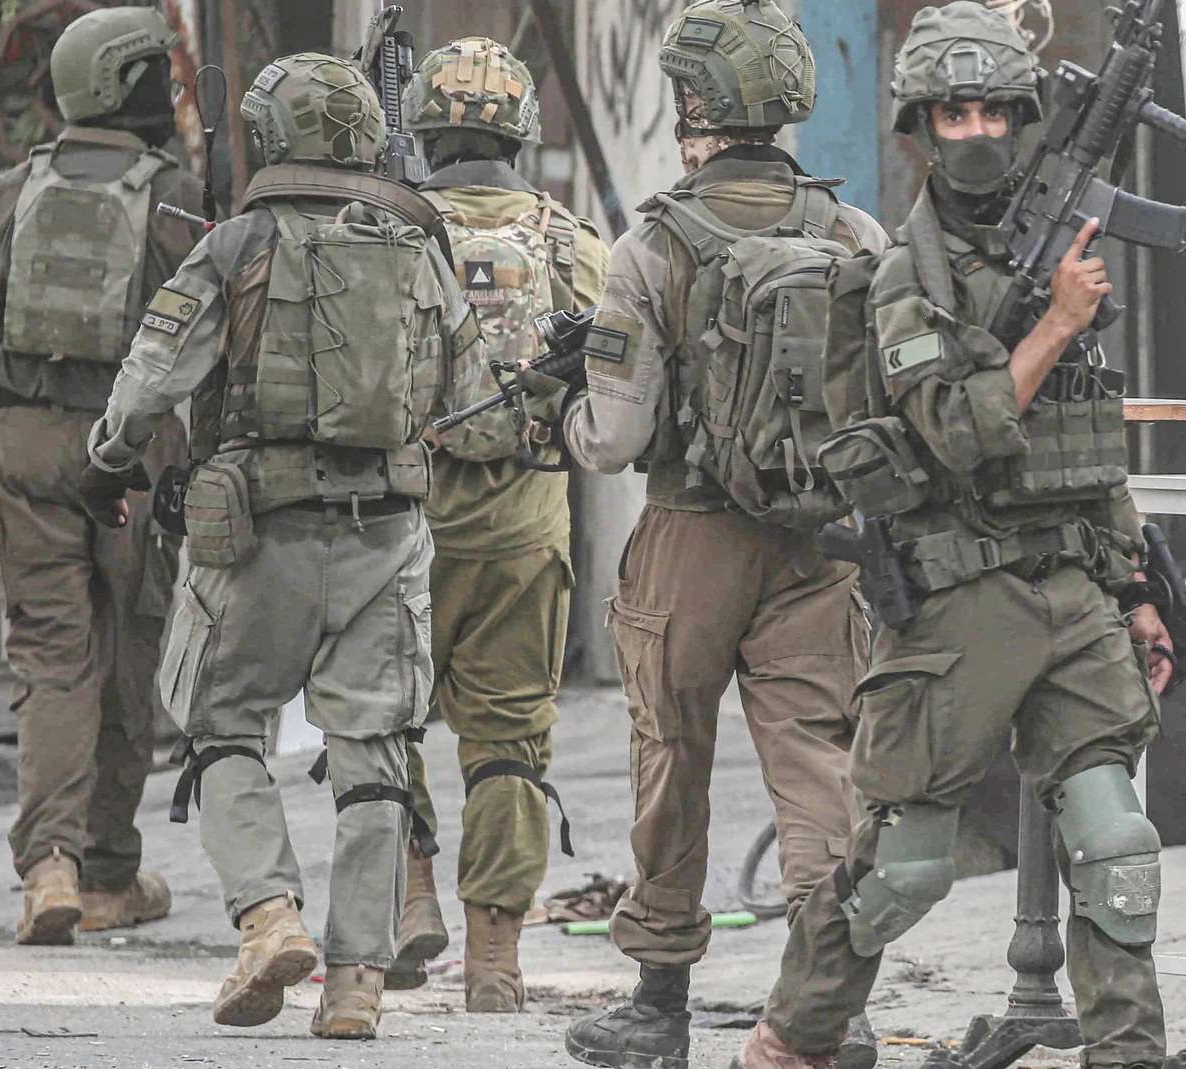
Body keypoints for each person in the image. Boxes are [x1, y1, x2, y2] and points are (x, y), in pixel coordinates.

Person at [736, 5, 1176, 1067]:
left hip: (1070, 588)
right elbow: (952, 435)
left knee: (1116, 845)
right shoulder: (903, 278)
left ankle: (1129, 1053)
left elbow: (1088, 441)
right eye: (952, 113)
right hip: (957, 603)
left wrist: (1134, 584)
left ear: (1022, 122)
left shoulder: (1053, 245)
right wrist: (1057, 320)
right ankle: (792, 1038)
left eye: (993, 111)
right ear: (919, 132)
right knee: (903, 871)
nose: (975, 131)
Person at [81, 51, 483, 1041]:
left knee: (222, 726)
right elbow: (473, 408)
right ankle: (354, 979)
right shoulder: (419, 245)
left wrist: (106, 464)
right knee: (376, 755)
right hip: (388, 535)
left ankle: (267, 918)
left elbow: (146, 386)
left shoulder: (236, 245)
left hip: (253, 533)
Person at [531, 3, 890, 1066]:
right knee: (820, 764)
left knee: (668, 760)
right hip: (819, 543)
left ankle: (657, 1010)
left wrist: (565, 404)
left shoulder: (649, 247)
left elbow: (613, 438)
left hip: (688, 534)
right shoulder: (851, 233)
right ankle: (835, 1006)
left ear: (694, 107)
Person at [382, 35, 610, 1011]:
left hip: (398, 518)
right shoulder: (569, 241)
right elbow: (624, 369)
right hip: (525, 523)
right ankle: (494, 960)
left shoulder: (386, 231)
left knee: (378, 717)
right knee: (510, 740)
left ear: (423, 131)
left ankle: (410, 894)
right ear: (520, 131)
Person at [0, 5, 202, 946]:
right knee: (129, 654)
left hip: (23, 453)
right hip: (132, 457)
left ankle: (49, 866)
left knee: (50, 661)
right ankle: (109, 872)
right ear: (127, 84)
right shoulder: (175, 196)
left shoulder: (7, 193)